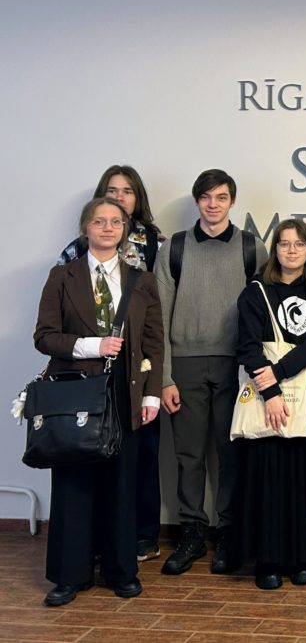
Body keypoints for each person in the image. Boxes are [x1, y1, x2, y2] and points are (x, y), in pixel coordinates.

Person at [34, 198, 164, 606]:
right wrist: (93, 345)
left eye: (115, 222)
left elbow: (153, 343)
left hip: (126, 392)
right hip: (75, 393)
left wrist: (152, 394)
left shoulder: (142, 280)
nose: (107, 228)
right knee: (74, 484)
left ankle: (120, 570)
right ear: (85, 228)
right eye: (99, 221)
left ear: (124, 229)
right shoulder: (62, 276)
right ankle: (69, 576)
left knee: (121, 484)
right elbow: (44, 337)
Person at [155, 169, 268, 576]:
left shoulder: (252, 248)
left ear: (232, 201)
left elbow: (264, 314)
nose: (213, 204)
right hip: (184, 364)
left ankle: (229, 532)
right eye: (206, 197)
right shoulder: (175, 248)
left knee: (231, 451)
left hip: (235, 365)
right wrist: (165, 377)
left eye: (221, 197)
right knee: (188, 454)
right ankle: (191, 531)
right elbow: (158, 318)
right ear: (197, 201)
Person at [57, 165, 165, 562]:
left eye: (127, 191)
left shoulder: (155, 246)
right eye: (112, 190)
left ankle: (138, 539)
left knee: (138, 459)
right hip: (85, 374)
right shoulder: (72, 257)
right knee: (87, 459)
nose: (119, 198)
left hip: (136, 370)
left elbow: (157, 321)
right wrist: (92, 346)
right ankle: (92, 546)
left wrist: (157, 382)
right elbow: (55, 324)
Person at [235, 219, 306, 590]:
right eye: (284, 243)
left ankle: (303, 558)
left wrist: (278, 372)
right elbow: (248, 347)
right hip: (268, 400)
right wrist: (271, 392)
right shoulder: (255, 292)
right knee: (269, 481)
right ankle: (268, 561)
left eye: (299, 244)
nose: (292, 250)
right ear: (274, 249)